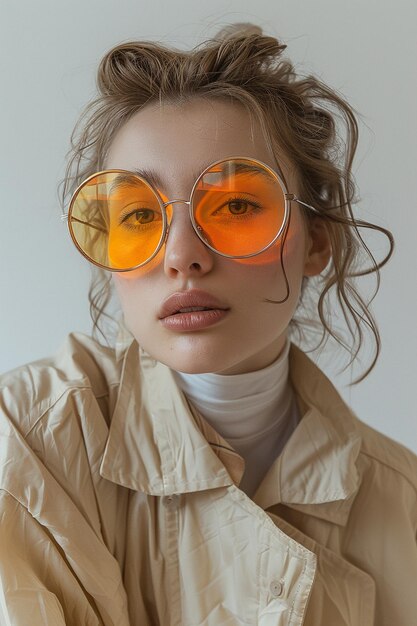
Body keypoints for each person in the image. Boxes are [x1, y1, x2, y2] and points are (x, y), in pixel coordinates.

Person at [0, 23, 415, 626]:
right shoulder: (31, 445)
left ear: (316, 240)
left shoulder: (398, 504)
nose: (181, 256)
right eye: (139, 213)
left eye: (239, 205)